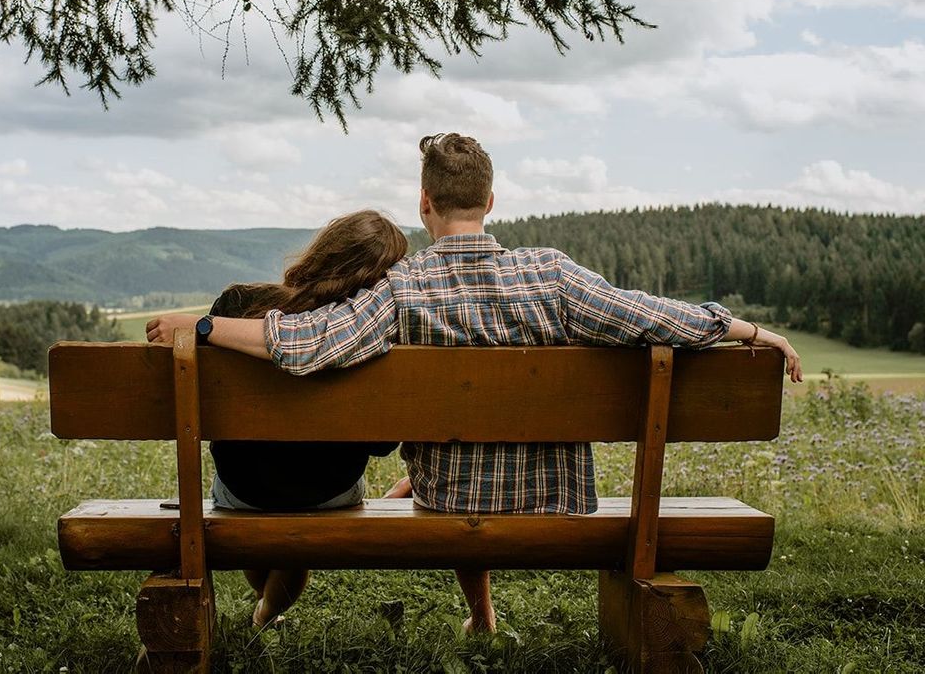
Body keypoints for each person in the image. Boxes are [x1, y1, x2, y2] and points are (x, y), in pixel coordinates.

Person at [147, 132, 803, 634]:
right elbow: (653, 316)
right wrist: (744, 329)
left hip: (450, 501)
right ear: (490, 203)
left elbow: (309, 343)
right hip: (559, 506)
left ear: (425, 204)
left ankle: (468, 611)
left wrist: (204, 328)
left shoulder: (402, 289)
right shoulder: (553, 273)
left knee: (453, 468)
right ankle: (486, 618)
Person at [205, 209, 404, 627]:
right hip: (328, 496)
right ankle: (264, 615)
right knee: (295, 539)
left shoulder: (236, 305)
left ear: (323, 250)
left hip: (242, 490)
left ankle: (263, 610)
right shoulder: (371, 335)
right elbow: (383, 444)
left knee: (266, 528)